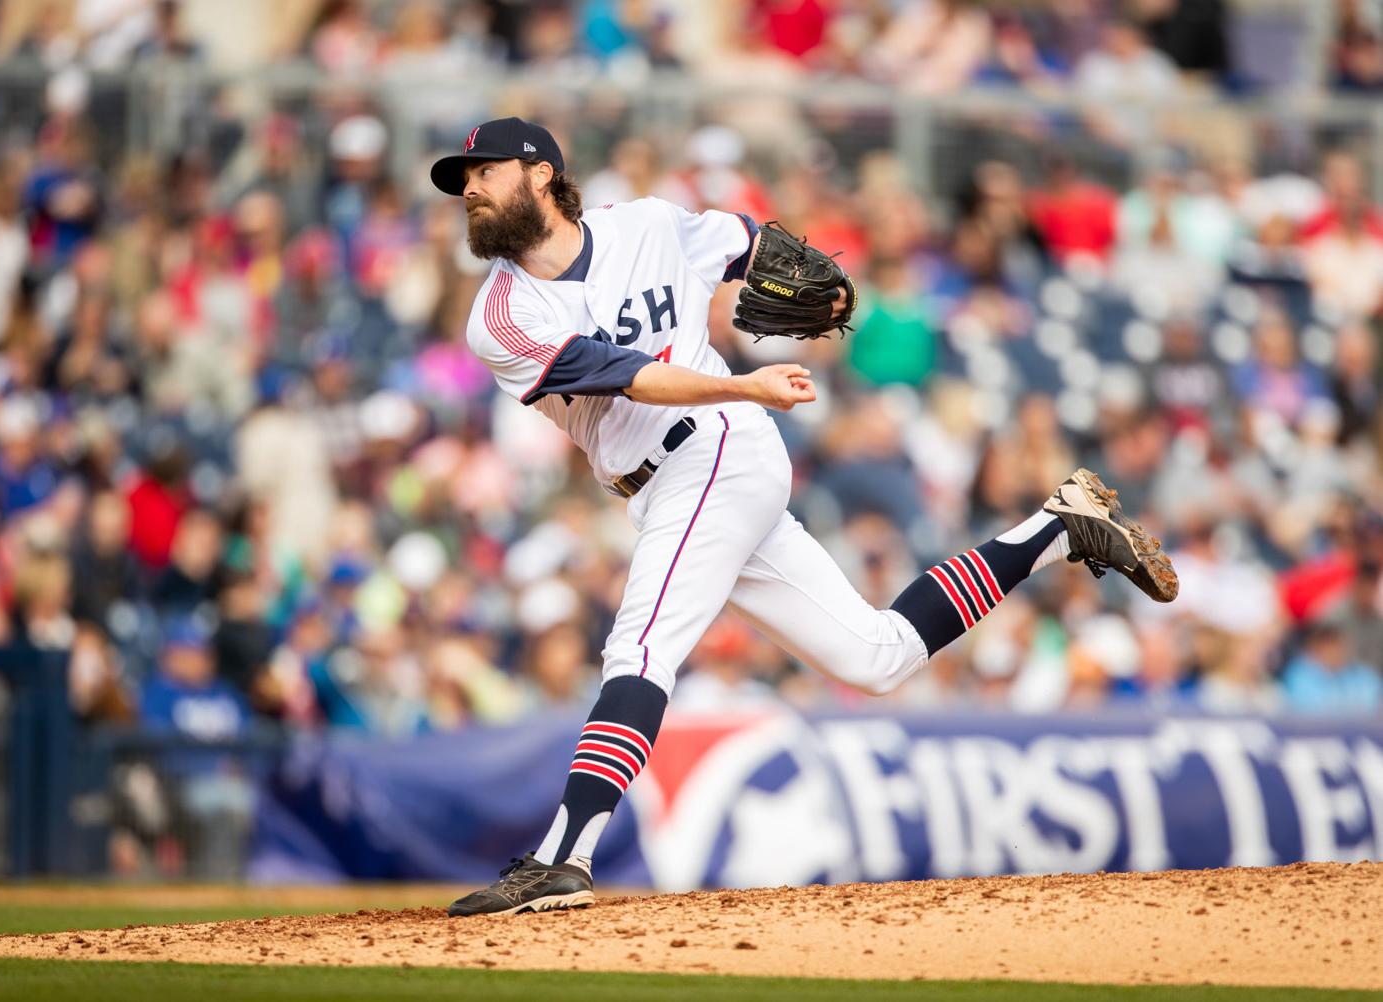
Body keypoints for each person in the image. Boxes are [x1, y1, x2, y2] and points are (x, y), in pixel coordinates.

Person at [431, 117, 1179, 916]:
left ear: (541, 174)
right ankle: (1061, 526)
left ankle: (562, 855)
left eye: (485, 171)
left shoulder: (646, 224)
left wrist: (809, 276)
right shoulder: (499, 314)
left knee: (642, 645)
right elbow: (630, 377)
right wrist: (748, 383)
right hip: (681, 469)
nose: (469, 188)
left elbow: (753, 245)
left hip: (715, 454)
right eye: (462, 179)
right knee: (876, 659)